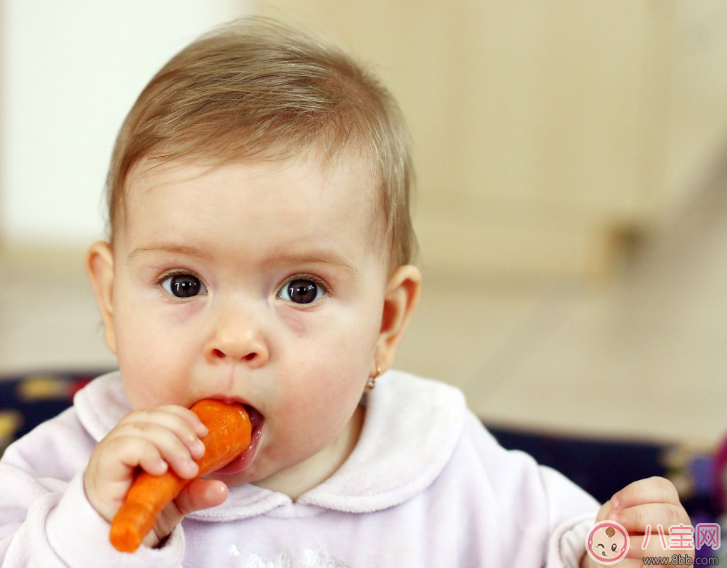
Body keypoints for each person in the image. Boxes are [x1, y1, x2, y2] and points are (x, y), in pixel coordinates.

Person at [0, 17, 690, 567]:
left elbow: (567, 541)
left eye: (300, 290)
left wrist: (633, 545)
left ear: (385, 324)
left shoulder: (438, 457)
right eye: (184, 283)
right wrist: (94, 532)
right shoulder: (63, 471)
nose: (236, 340)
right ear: (110, 297)